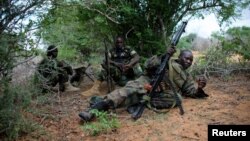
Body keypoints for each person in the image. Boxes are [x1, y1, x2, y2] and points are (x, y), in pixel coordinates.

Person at [78, 48, 208, 121]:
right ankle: (94, 109)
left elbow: (190, 92)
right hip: (148, 81)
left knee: (177, 99)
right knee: (128, 91)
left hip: (160, 93)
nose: (189, 61)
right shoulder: (167, 60)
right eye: (186, 58)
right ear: (179, 57)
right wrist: (164, 56)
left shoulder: (187, 76)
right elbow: (149, 65)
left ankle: (136, 102)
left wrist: (199, 88)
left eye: (191, 60)